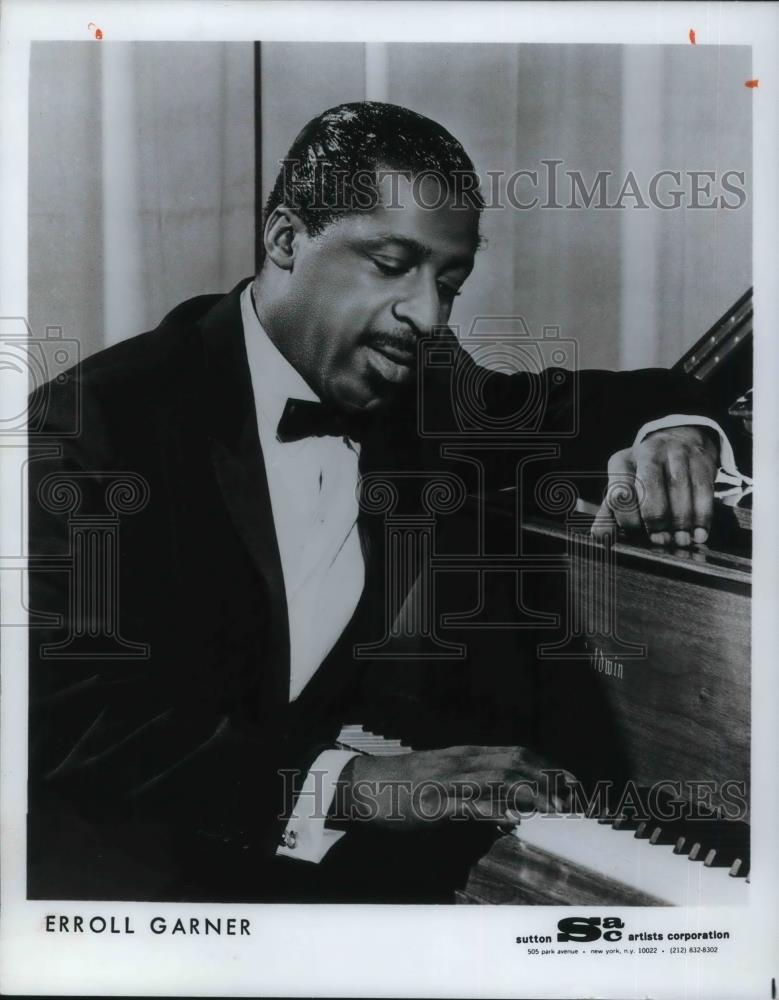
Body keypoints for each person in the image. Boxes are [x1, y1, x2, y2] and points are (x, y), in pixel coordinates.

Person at [27, 102, 734, 903]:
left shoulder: (419, 387)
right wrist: (353, 786)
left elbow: (592, 404)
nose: (427, 315)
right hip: (112, 893)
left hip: (285, 876)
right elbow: (64, 722)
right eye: (392, 264)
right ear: (287, 238)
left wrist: (682, 430)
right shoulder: (98, 423)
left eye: (449, 283)